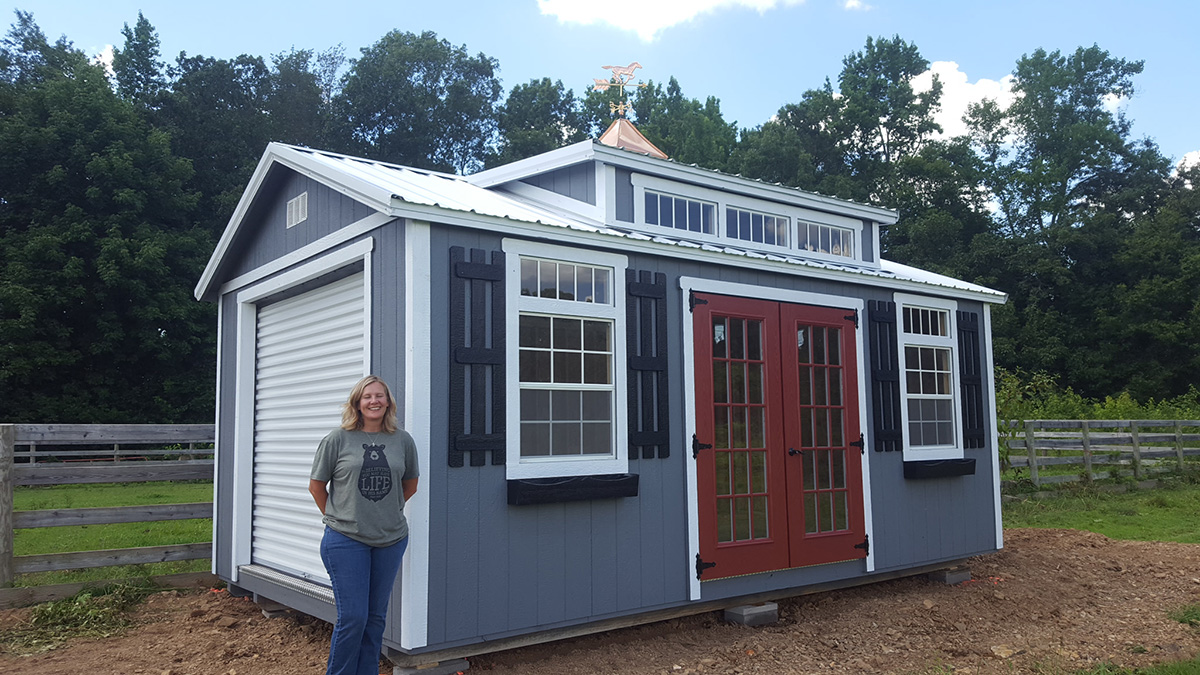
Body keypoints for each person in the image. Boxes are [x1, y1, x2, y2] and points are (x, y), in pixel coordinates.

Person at [309, 375, 419, 675]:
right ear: (357, 402)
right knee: (354, 617)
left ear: (388, 402)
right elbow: (317, 486)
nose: (374, 401)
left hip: (391, 539)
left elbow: (410, 484)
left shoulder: (402, 440)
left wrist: (389, 511)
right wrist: (337, 515)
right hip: (346, 540)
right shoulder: (338, 439)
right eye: (368, 396)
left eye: (380, 396)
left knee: (375, 618)